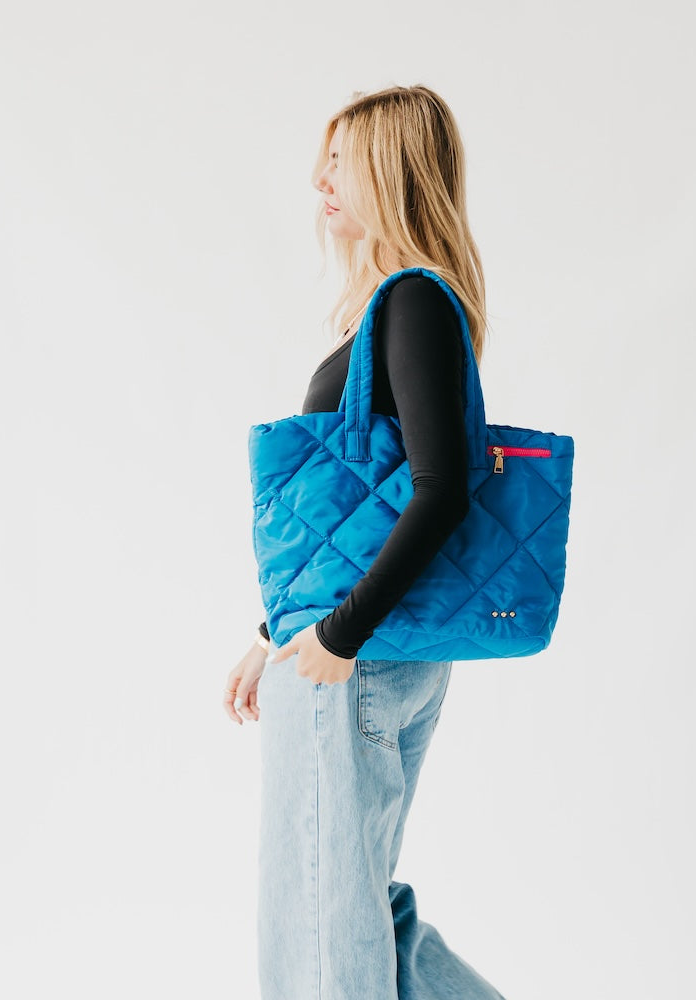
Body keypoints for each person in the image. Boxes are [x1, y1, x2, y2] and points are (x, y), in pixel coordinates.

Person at [223, 85, 507, 1000]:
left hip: (360, 657)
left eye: (339, 160)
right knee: (355, 911)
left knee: (318, 927)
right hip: (368, 646)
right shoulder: (402, 307)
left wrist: (338, 637)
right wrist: (274, 632)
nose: (319, 180)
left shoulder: (413, 301)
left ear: (388, 170)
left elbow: (442, 491)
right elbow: (360, 515)